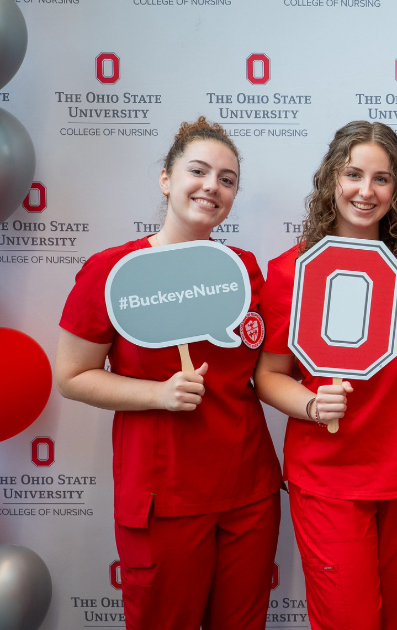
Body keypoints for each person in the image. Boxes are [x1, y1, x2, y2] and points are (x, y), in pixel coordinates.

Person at [54, 118, 281, 630]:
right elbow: (71, 375)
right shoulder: (113, 271)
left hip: (249, 491)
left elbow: (263, 365)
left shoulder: (244, 270)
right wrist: (157, 394)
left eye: (227, 179)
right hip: (164, 500)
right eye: (198, 171)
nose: (212, 187)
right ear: (166, 179)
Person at [253, 121, 397, 630]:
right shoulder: (292, 271)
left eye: (382, 179)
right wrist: (311, 404)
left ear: (396, 188)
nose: (366, 191)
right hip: (330, 473)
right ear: (331, 180)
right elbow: (268, 375)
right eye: (354, 174)